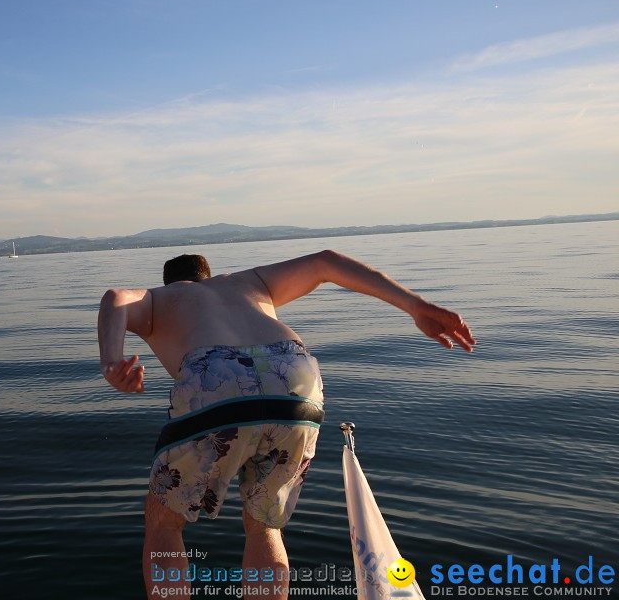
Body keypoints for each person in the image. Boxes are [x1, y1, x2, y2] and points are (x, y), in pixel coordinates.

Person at [98, 251, 475, 598]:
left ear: (171, 283)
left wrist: (112, 363)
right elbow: (326, 262)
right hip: (295, 375)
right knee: (264, 523)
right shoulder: (246, 282)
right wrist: (416, 305)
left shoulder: (158, 299)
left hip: (217, 373)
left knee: (164, 523)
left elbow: (115, 297)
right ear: (208, 276)